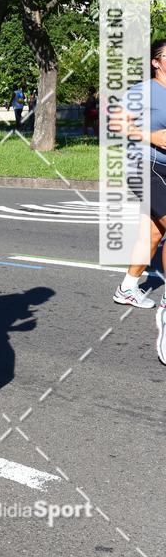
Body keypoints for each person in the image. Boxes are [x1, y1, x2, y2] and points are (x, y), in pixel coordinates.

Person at [109, 39, 166, 364]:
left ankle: (128, 287)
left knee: (155, 232)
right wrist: (152, 136)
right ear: (156, 62)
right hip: (143, 165)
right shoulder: (144, 90)